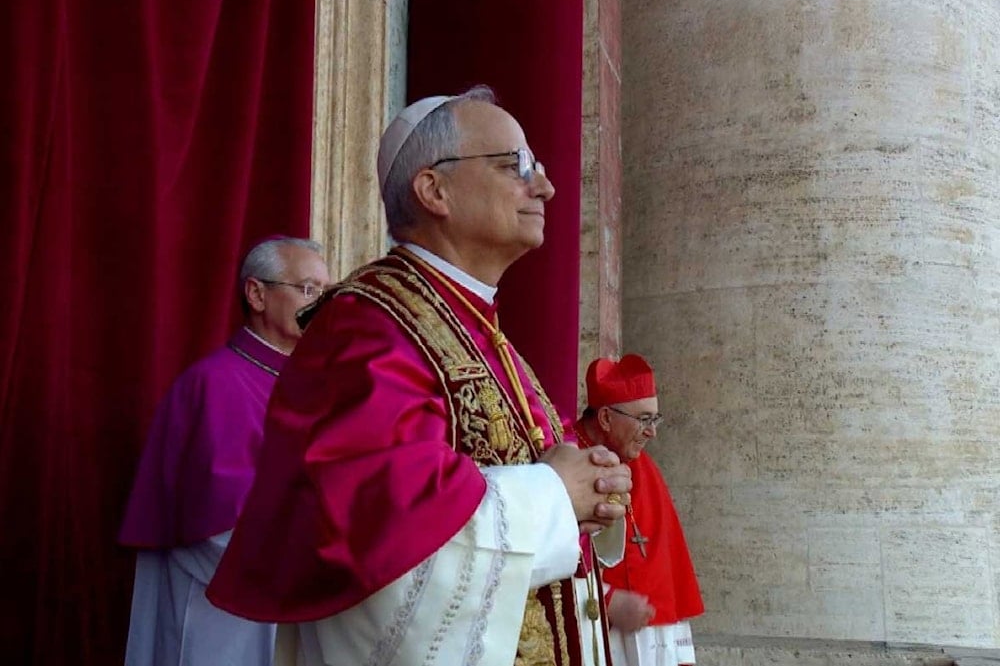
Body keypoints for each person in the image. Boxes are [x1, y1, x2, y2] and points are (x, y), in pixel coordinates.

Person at [206, 86, 631, 666]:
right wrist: (556, 495)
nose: (546, 186)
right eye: (517, 165)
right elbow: (384, 530)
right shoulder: (367, 327)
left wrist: (593, 490)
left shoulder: (482, 329)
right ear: (434, 189)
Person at [118, 236, 332, 666]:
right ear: (256, 294)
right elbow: (217, 519)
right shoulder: (216, 384)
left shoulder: (312, 383)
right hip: (223, 610)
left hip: (294, 601)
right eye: (308, 290)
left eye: (326, 293)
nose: (321, 305)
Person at [574, 355, 705, 666]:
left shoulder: (646, 468)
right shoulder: (569, 463)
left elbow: (666, 569)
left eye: (655, 420)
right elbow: (547, 555)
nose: (652, 432)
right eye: (644, 419)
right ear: (605, 418)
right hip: (591, 628)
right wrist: (606, 601)